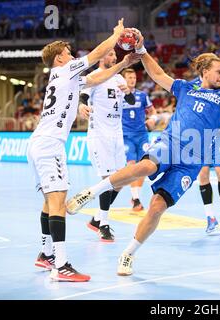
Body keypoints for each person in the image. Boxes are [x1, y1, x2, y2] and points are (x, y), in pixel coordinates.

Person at [66, 29, 220, 276]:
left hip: (192, 161)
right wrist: (141, 51)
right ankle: (91, 193)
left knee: (156, 207)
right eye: (219, 72)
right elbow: (157, 74)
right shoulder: (186, 87)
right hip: (172, 142)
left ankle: (129, 253)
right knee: (145, 167)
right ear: (205, 71)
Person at [27, 19, 137, 282]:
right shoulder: (64, 71)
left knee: (49, 201)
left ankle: (45, 254)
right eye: (67, 52)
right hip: (49, 144)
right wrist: (116, 36)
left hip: (40, 142)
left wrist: (121, 65)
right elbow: (97, 56)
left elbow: (96, 77)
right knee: (58, 201)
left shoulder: (67, 78)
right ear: (59, 59)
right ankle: (61, 265)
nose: (72, 54)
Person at [77, 49, 136, 242]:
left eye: (115, 55)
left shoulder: (119, 77)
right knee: (109, 178)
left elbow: (131, 100)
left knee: (121, 180)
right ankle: (103, 224)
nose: (114, 58)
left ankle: (96, 219)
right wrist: (82, 105)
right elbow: (83, 95)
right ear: (102, 57)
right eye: (110, 54)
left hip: (116, 134)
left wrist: (128, 92)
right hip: (99, 133)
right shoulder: (94, 76)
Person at [120, 68, 157, 212]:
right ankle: (135, 198)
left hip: (142, 135)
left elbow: (152, 111)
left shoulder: (142, 95)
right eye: (129, 77)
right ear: (123, 79)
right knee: (131, 165)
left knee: (143, 166)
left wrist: (152, 119)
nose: (132, 80)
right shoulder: (118, 96)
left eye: (134, 77)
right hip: (126, 136)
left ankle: (136, 197)